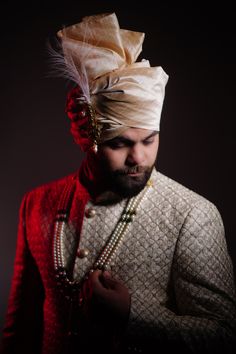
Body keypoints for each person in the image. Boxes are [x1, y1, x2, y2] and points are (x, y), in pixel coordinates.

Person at [1, 12, 236, 354]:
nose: (138, 158)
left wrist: (131, 315)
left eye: (150, 140)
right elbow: (21, 324)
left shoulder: (192, 214)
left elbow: (225, 336)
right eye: (120, 143)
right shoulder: (38, 203)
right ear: (88, 140)